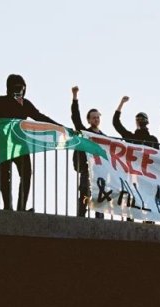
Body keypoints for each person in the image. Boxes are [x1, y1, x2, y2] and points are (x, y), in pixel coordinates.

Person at [0, 74, 60, 211]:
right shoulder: (1, 101)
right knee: (5, 175)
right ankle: (7, 206)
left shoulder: (25, 103)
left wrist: (58, 126)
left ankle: (21, 207)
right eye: (17, 87)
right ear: (9, 88)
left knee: (26, 174)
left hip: (20, 144)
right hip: (4, 143)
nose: (20, 90)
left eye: (22, 88)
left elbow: (39, 116)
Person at [71, 86, 105, 219]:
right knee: (85, 193)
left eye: (98, 117)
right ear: (89, 120)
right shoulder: (85, 133)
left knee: (100, 194)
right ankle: (81, 216)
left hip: (100, 171)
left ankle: (99, 218)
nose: (96, 119)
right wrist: (75, 97)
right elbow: (75, 117)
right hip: (87, 169)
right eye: (94, 118)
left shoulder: (104, 137)